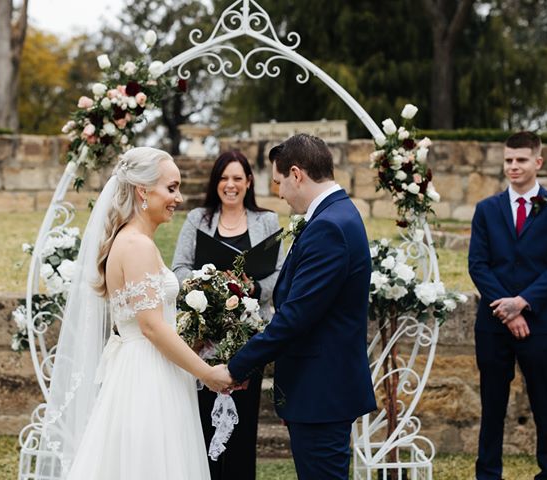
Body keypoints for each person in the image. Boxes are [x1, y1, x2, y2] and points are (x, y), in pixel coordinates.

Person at [38, 147, 231, 480]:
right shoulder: (137, 245)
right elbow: (152, 328)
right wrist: (207, 373)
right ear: (143, 191)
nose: (179, 198)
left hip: (143, 366)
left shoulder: (131, 241)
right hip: (147, 375)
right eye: (171, 188)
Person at [221, 134, 377, 480]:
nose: (279, 193)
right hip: (316, 390)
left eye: (278, 183)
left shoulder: (330, 227)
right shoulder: (336, 215)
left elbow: (295, 318)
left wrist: (236, 368)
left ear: (296, 174)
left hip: (321, 392)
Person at [468, 131, 547, 480]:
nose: (513, 166)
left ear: (538, 162)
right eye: (509, 160)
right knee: (493, 405)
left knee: (544, 402)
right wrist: (506, 309)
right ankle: (488, 473)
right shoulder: (486, 209)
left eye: (521, 160)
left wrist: (522, 303)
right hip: (493, 324)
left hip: (541, 323)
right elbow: (478, 265)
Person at [172, 150, 284, 480]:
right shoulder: (198, 219)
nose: (230, 185)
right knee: (203, 423)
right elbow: (178, 267)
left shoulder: (267, 220)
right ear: (215, 183)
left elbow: (279, 273)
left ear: (249, 182)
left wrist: (246, 288)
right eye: (223, 178)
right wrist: (212, 287)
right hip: (203, 339)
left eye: (237, 178)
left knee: (242, 426)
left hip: (249, 338)